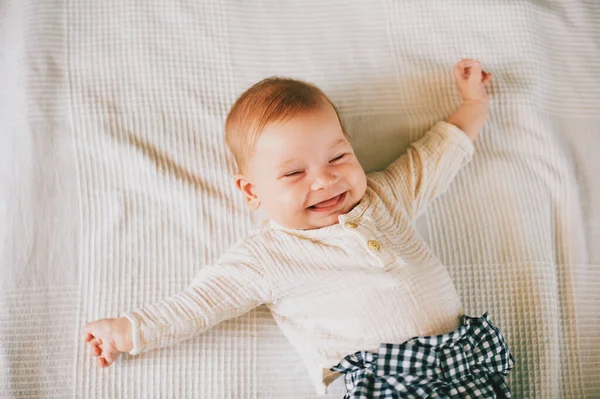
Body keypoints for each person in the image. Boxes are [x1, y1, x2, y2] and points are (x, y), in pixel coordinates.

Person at [83, 59, 513, 398]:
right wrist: (125, 332)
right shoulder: (266, 256)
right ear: (252, 192)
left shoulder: (386, 196)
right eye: (293, 174)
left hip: (463, 366)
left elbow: (438, 154)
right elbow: (198, 304)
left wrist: (474, 105)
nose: (324, 181)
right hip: (378, 381)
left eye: (338, 158)